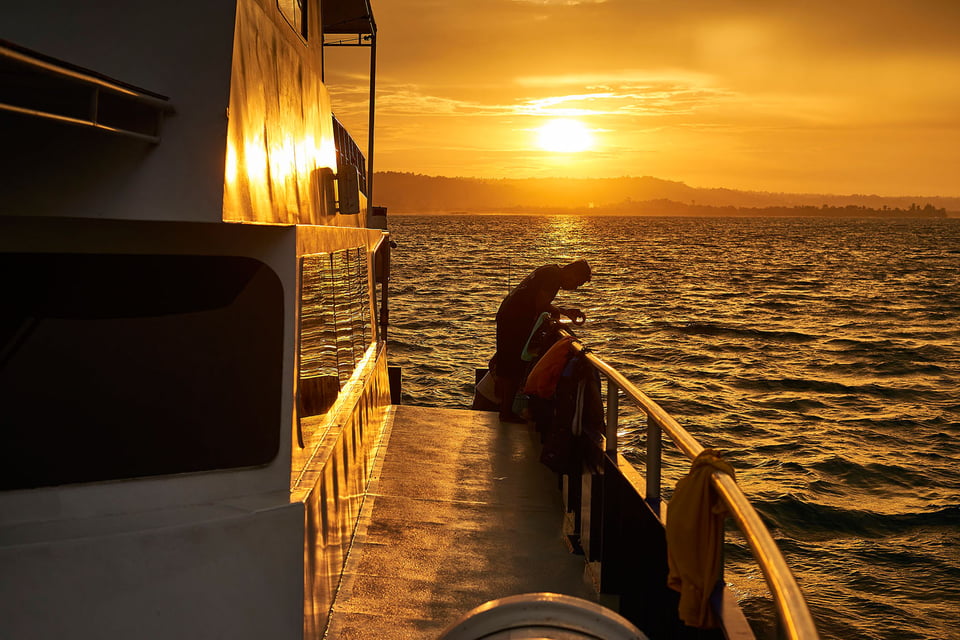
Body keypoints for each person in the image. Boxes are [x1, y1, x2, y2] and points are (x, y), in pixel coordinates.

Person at [493, 259, 592, 422]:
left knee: (508, 362)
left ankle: (504, 408)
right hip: (513, 319)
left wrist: (562, 312)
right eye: (577, 283)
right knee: (514, 366)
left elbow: (540, 302)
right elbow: (540, 304)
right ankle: (506, 412)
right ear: (572, 273)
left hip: (509, 315)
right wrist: (565, 312)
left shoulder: (550, 270)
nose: (574, 288)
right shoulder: (553, 277)